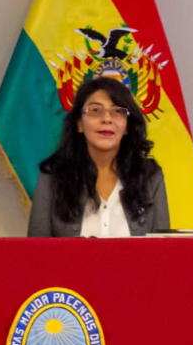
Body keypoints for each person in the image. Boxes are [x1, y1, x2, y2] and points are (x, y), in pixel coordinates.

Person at [28, 76, 168, 237]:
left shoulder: (150, 176)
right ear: (79, 123)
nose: (106, 119)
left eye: (117, 111)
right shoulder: (53, 176)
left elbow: (163, 255)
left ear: (127, 126)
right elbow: (35, 254)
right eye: (95, 110)